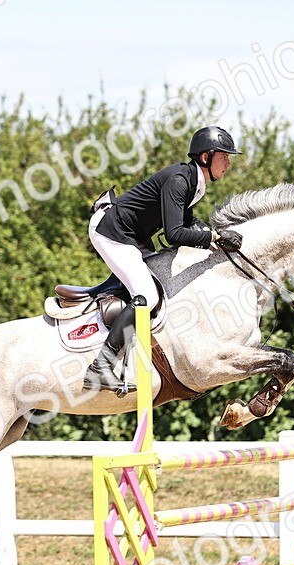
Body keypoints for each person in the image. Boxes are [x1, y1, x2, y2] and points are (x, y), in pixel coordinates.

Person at [83, 125, 245, 394]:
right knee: (147, 296)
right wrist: (214, 237)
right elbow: (174, 234)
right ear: (206, 156)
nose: (228, 163)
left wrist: (215, 236)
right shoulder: (180, 180)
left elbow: (187, 221)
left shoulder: (194, 182)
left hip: (134, 235)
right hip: (112, 232)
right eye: (224, 156)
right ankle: (101, 366)